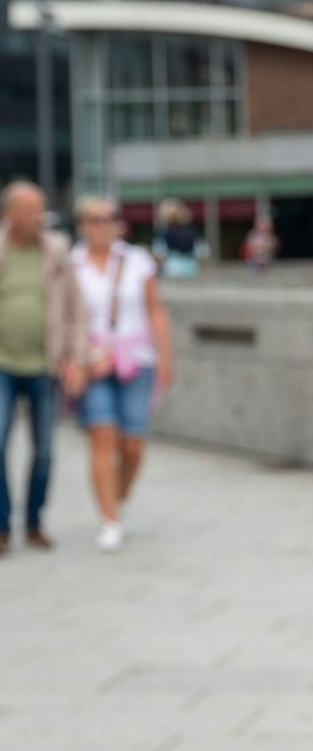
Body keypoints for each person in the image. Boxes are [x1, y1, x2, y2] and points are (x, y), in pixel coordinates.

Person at [71, 196, 174, 553]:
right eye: (95, 219)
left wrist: (166, 358)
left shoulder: (137, 260)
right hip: (93, 361)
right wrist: (74, 359)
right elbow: (66, 318)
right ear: (81, 224)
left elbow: (155, 310)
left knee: (132, 445)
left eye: (110, 218)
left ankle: (118, 497)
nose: (103, 225)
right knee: (102, 435)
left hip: (137, 357)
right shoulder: (72, 264)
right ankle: (109, 518)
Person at [0, 182, 85, 553]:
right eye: (30, 208)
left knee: (45, 450)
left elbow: (76, 310)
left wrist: (74, 357)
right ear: (10, 213)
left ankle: (34, 522)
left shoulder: (57, 251)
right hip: (2, 363)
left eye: (41, 207)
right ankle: (2, 526)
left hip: (44, 365)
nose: (38, 215)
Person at [153, 197, 205, 279]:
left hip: (172, 267)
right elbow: (202, 253)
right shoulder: (192, 231)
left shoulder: (164, 232)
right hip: (191, 267)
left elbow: (159, 254)